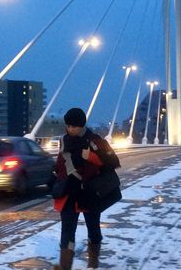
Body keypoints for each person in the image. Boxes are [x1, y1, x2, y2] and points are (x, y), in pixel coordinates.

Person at [52, 108, 121, 270]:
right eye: (68, 126)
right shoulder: (64, 141)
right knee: (67, 232)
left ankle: (93, 264)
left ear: (82, 126)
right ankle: (64, 266)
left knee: (94, 229)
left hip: (89, 193)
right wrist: (55, 174)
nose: (71, 129)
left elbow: (113, 162)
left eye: (74, 126)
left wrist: (90, 157)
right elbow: (61, 162)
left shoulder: (96, 141)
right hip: (69, 193)